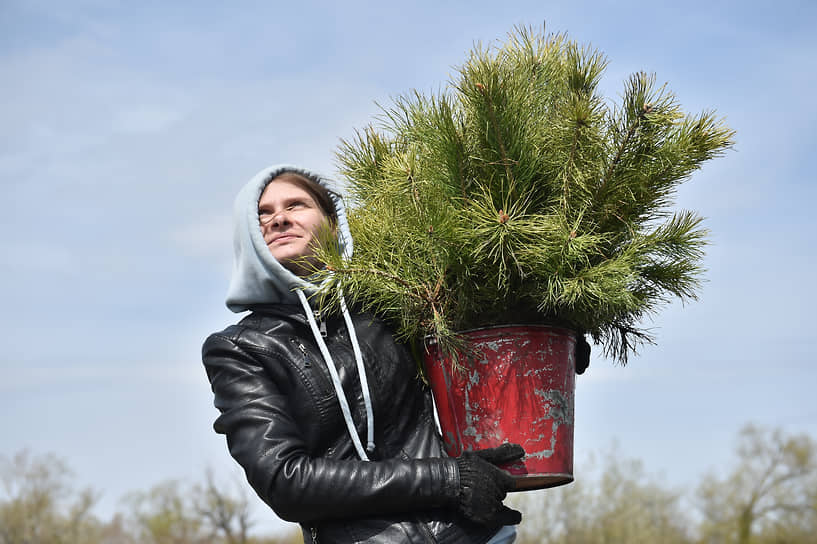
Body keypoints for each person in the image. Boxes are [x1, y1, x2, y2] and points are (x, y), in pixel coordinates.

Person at [202, 165, 525, 544]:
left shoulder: (390, 302)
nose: (280, 219)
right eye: (263, 214)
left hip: (472, 536)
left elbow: (481, 341)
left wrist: (548, 336)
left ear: (334, 224)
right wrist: (449, 479)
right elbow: (286, 481)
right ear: (249, 237)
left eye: (296, 205)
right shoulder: (242, 349)